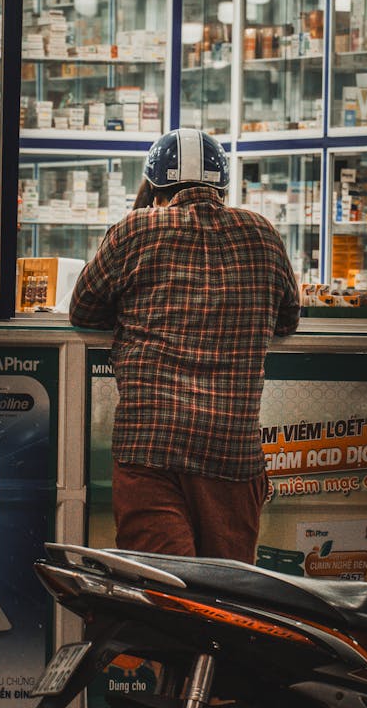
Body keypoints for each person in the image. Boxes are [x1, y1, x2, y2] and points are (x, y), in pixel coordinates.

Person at [69, 128, 300, 563]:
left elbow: (83, 310)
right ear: (223, 187)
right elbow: (288, 318)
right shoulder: (262, 234)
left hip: (150, 446)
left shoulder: (134, 230)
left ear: (155, 187)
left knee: (163, 595)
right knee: (227, 599)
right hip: (232, 452)